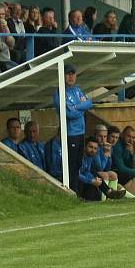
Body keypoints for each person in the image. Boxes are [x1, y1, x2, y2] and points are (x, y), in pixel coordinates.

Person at [53, 63, 91, 193]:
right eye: (68, 74)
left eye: (72, 73)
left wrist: (77, 107)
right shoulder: (60, 92)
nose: (70, 76)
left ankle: (76, 192)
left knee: (78, 165)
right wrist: (81, 107)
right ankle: (70, 191)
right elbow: (68, 113)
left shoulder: (77, 89)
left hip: (81, 132)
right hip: (70, 134)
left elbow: (89, 103)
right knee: (71, 165)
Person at [111, 125, 135, 194]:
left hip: (119, 171)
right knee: (131, 174)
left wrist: (131, 154)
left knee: (133, 176)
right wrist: (134, 172)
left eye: (133, 137)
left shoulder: (127, 146)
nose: (131, 140)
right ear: (122, 135)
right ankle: (131, 198)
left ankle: (131, 197)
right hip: (113, 170)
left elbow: (130, 166)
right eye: (129, 136)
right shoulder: (117, 145)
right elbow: (120, 168)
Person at [0, 3, 19, 68]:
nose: (1, 16)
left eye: (3, 14)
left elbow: (12, 43)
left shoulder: (4, 26)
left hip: (6, 58)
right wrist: (8, 45)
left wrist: (6, 28)